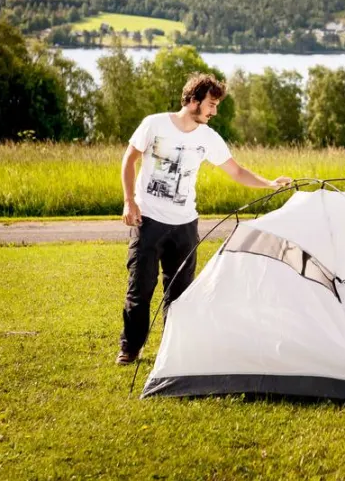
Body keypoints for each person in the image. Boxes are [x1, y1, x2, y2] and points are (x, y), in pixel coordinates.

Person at [116, 73, 291, 365]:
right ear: (194, 100)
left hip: (186, 226)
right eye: (211, 104)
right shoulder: (154, 124)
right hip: (149, 221)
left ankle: (175, 350)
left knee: (181, 294)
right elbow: (129, 159)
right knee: (140, 288)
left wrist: (270, 183)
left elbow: (236, 171)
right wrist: (128, 201)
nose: (214, 111)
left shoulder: (208, 138)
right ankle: (130, 349)